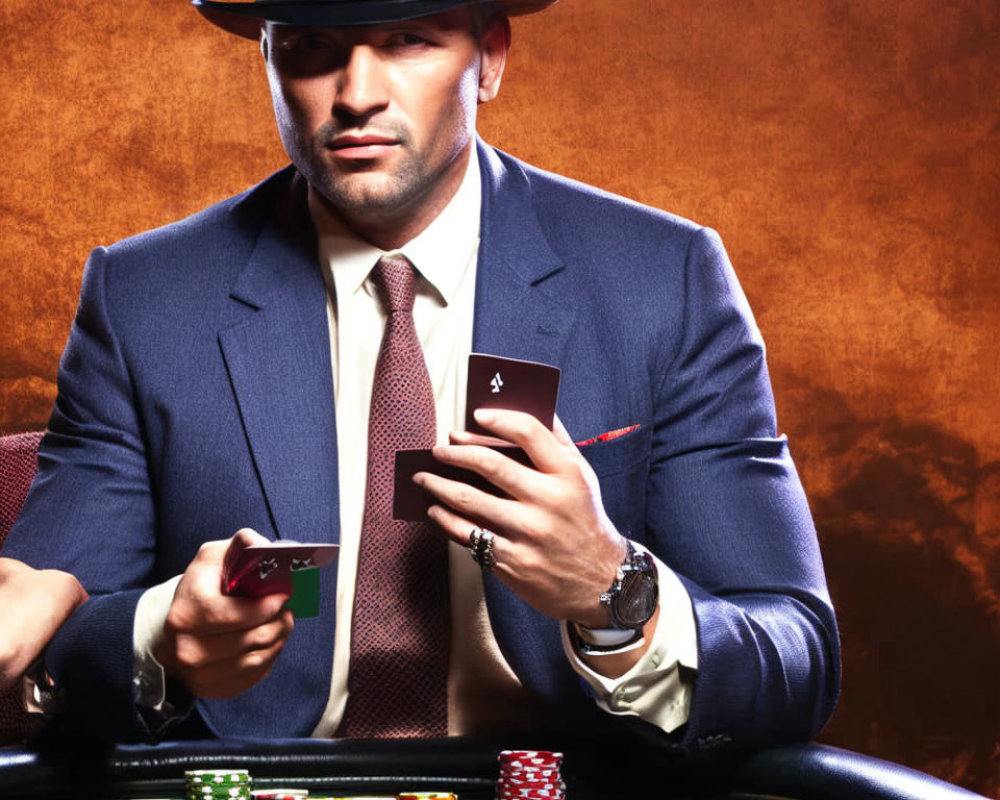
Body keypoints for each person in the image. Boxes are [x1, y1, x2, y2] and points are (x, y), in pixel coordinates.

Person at [2, 0, 840, 749]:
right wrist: (162, 641)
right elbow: (37, 630)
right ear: (266, 56)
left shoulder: (664, 280)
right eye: (312, 45)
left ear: (491, 58)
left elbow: (797, 654)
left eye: (408, 40)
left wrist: (614, 590)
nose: (356, 92)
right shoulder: (145, 298)